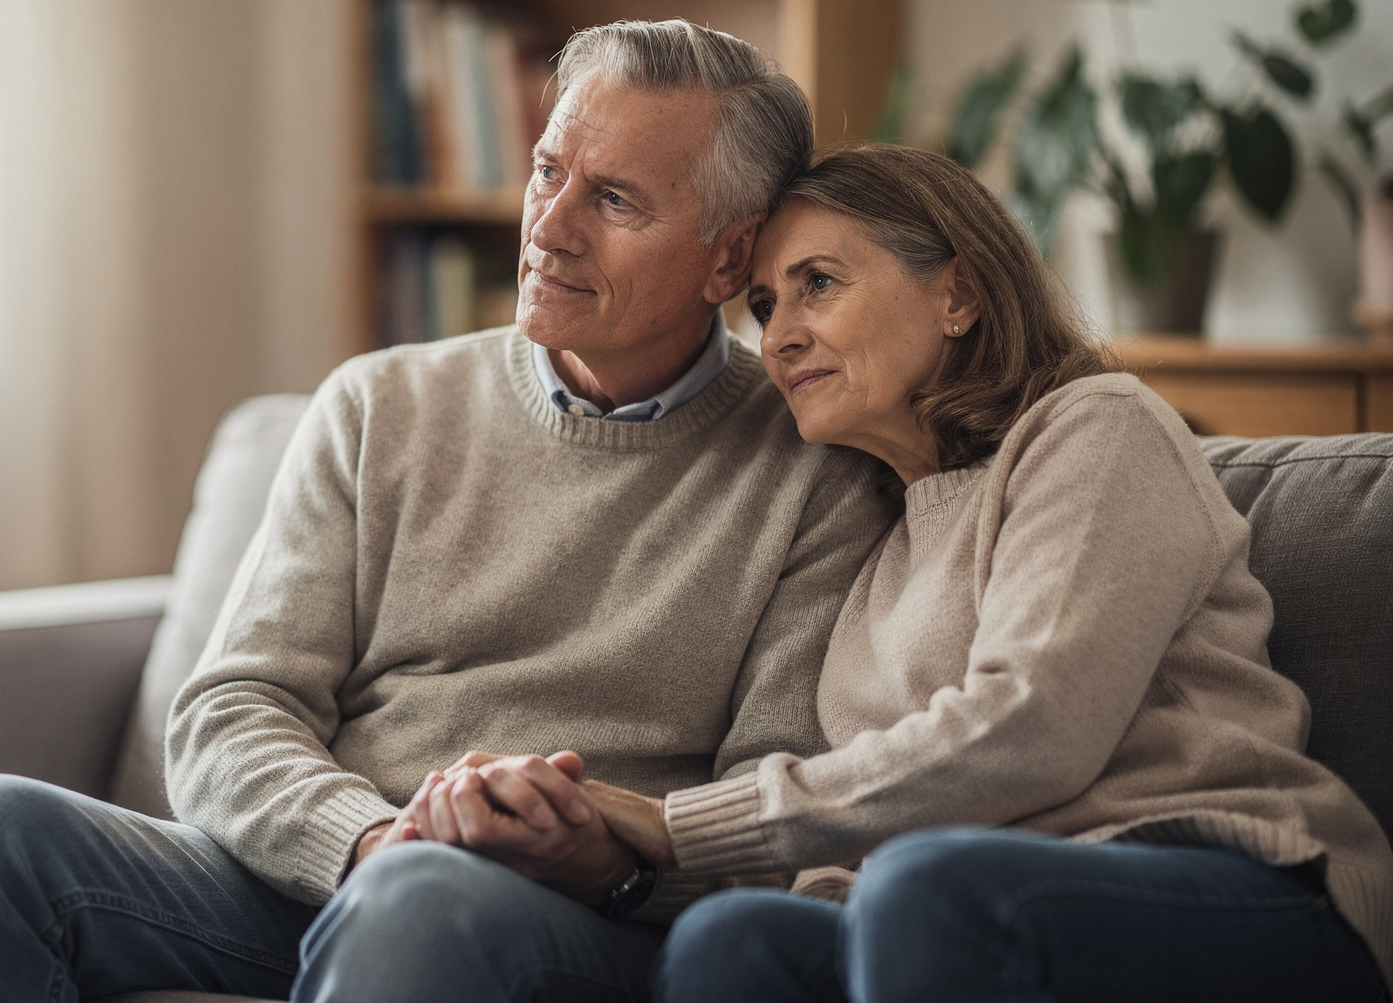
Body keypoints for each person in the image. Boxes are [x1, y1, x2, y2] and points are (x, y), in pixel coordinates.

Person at [0, 21, 897, 1003]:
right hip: (345, 868)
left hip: (585, 920)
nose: (549, 227)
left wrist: (611, 865)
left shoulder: (815, 467)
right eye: (548, 171)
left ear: (730, 257)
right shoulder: (378, 404)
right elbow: (232, 710)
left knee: (423, 902)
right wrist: (366, 838)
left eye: (616, 200)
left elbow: (777, 817)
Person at [448, 144, 1392, 1002]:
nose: (777, 337)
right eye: (766, 306)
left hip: (1240, 888)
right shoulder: (875, 540)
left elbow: (1036, 726)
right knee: (739, 936)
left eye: (818, 283)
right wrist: (611, 856)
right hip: (957, 906)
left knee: (921, 886)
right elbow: (868, 824)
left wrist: (675, 823)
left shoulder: (1095, 430)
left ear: (959, 295)